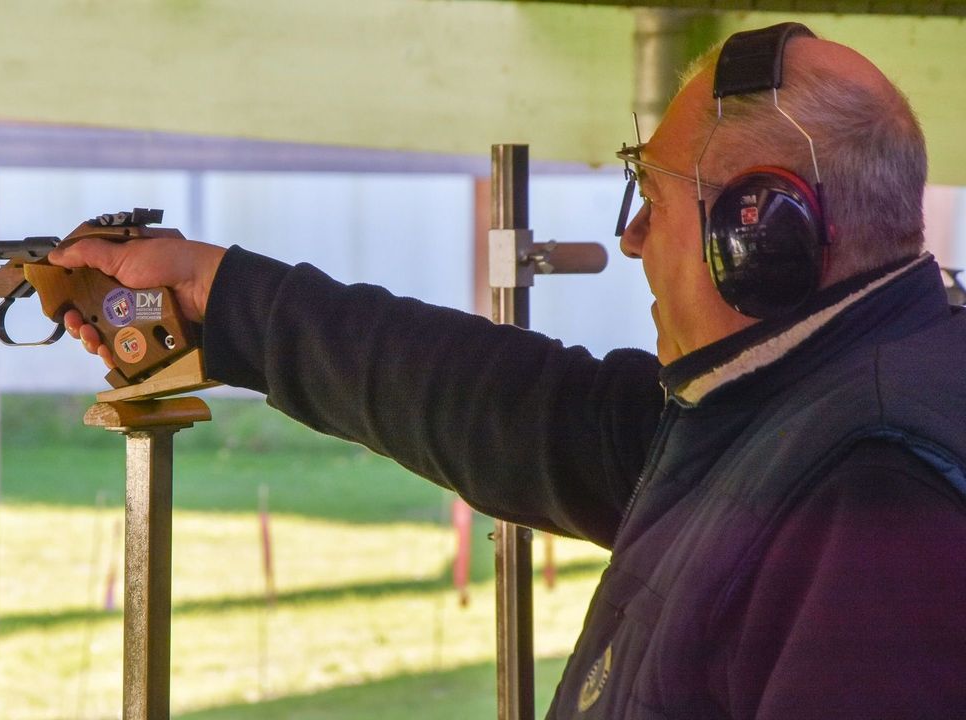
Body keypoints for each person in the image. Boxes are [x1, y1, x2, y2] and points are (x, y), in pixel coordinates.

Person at [50, 23, 966, 719]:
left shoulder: (876, 488)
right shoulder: (785, 400)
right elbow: (509, 407)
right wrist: (223, 295)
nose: (633, 238)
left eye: (652, 194)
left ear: (761, 232)